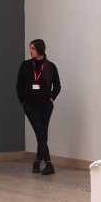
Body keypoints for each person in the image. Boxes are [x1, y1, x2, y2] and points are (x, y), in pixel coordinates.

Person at [16, 39, 61, 175]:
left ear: (40, 49)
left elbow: (57, 85)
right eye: (30, 48)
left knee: (42, 134)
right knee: (40, 132)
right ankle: (49, 163)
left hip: (45, 105)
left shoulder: (50, 66)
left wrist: (52, 97)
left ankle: (37, 162)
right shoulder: (25, 65)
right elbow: (19, 86)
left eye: (33, 48)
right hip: (30, 105)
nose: (30, 51)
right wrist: (23, 102)